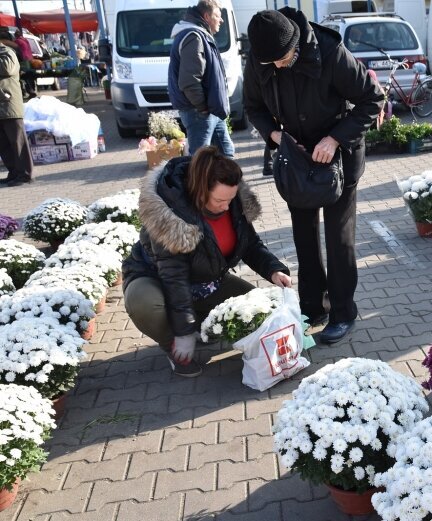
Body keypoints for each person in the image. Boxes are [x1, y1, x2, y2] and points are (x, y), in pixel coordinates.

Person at [243, 8, 384, 344]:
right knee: (303, 237)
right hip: (296, 160)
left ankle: (342, 312)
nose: (277, 66)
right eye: (270, 63)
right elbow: (253, 106)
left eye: (283, 59)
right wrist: (274, 136)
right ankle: (312, 307)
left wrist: (335, 138)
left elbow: (371, 99)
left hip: (340, 156)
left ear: (295, 43)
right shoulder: (261, 58)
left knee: (339, 238)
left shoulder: (329, 51)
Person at [122, 146, 292, 377]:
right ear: (201, 191)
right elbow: (175, 278)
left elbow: (250, 245)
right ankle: (173, 345)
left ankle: (200, 325)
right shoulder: (170, 216)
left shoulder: (234, 202)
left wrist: (274, 271)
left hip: (206, 281)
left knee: (258, 313)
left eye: (231, 199)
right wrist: (182, 334)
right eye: (220, 200)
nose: (226, 206)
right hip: (157, 280)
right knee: (145, 303)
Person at [168, 0, 234, 157]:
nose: (221, 20)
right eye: (218, 15)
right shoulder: (194, 37)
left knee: (226, 153)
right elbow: (189, 81)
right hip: (200, 112)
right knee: (200, 160)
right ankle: (197, 183)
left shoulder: (199, 35)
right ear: (207, 16)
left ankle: (229, 182)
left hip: (210, 110)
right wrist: (202, 107)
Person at [0, 37, 33, 187]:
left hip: (9, 105)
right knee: (4, 144)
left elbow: (7, 68)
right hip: (1, 108)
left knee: (17, 142)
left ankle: (25, 174)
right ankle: (14, 172)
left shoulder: (7, 52)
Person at [13, 31, 35, 99]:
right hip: (30, 59)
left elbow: (17, 50)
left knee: (25, 76)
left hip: (24, 59)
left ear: (16, 35)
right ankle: (32, 90)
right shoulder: (25, 40)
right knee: (30, 75)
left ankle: (30, 91)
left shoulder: (17, 41)